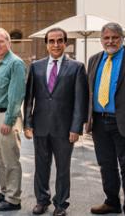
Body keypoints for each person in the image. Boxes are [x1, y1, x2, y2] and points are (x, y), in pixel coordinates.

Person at [24, 28, 89, 216]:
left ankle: (61, 204)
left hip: (64, 128)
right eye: (51, 41)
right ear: (46, 44)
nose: (56, 44)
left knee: (63, 169)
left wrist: (76, 127)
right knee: (41, 167)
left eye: (60, 40)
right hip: (41, 126)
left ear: (65, 43)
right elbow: (29, 99)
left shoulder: (77, 67)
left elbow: (80, 101)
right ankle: (42, 200)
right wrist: (28, 123)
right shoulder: (36, 67)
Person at [86, 23, 125, 216]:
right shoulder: (94, 60)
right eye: (106, 38)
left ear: (122, 38)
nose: (110, 41)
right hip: (100, 122)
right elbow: (89, 91)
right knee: (106, 165)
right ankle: (112, 202)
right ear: (101, 40)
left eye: (115, 37)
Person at [0, 28, 26, 211]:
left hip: (6, 116)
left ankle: (13, 199)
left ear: (9, 42)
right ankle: (5, 191)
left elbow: (16, 95)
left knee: (10, 159)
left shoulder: (15, 63)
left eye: (1, 41)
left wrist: (9, 120)